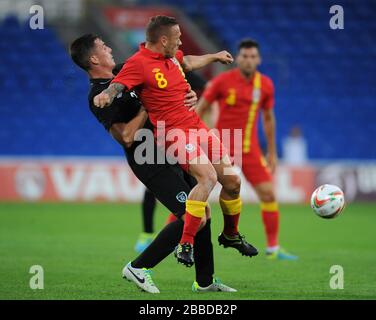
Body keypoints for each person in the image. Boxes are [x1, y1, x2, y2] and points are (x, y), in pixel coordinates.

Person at [70, 34, 236, 293]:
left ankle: (205, 281)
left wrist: (186, 97)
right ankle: (138, 267)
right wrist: (148, 107)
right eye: (104, 46)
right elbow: (126, 137)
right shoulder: (98, 95)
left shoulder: (126, 71)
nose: (110, 47)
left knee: (201, 207)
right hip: (148, 159)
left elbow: (177, 69)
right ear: (93, 58)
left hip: (169, 147)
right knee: (194, 216)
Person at [93, 15, 258, 267]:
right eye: (178, 38)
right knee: (208, 178)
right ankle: (186, 243)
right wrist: (106, 94)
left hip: (197, 126)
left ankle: (231, 235)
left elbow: (188, 61)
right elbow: (118, 84)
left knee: (233, 181)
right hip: (173, 133)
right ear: (163, 40)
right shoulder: (139, 63)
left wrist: (214, 56)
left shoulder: (171, 57)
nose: (181, 42)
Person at [196, 39, 298, 260]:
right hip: (220, 146)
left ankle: (273, 248)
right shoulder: (222, 81)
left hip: (249, 149)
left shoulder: (266, 85)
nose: (249, 60)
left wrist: (271, 152)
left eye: (253, 56)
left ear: (258, 59)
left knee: (269, 193)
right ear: (238, 58)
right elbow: (200, 109)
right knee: (198, 193)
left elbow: (269, 119)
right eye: (244, 56)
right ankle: (178, 238)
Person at [135, 71, 209, 254]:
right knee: (154, 189)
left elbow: (206, 88)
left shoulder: (179, 69)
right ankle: (148, 233)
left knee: (190, 191)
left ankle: (177, 236)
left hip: (181, 135)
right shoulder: (149, 70)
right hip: (158, 136)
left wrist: (193, 100)